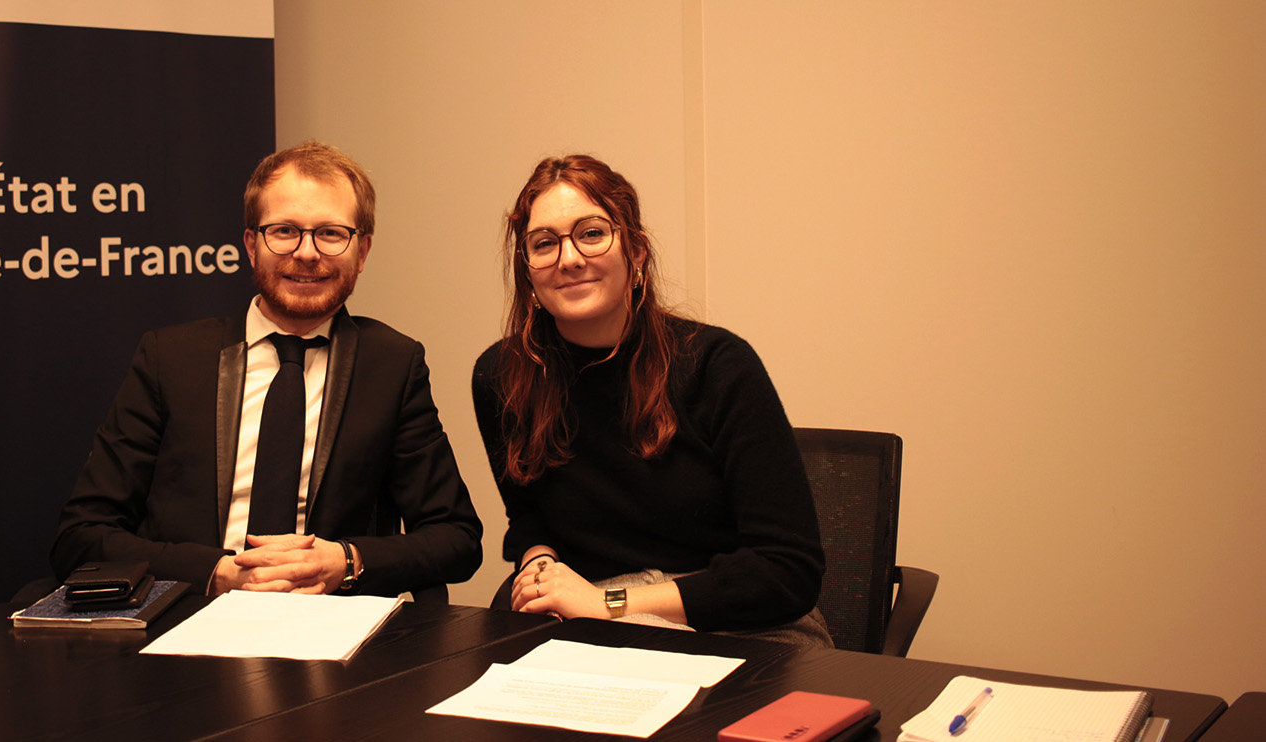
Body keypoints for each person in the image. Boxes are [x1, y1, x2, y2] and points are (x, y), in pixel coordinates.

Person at [53, 141, 481, 598]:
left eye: (332, 233)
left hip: (331, 636)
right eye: (284, 231)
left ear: (363, 251)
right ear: (251, 245)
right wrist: (217, 573)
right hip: (188, 622)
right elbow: (80, 536)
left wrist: (346, 561)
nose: (307, 252)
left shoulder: (393, 365)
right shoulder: (170, 359)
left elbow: (456, 538)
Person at [472, 154, 830, 646]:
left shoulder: (718, 365)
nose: (569, 258)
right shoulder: (502, 376)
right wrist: (538, 562)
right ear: (528, 272)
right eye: (544, 244)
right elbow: (529, 513)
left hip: (739, 622)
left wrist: (608, 605)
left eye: (592, 233)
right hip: (584, 619)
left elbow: (787, 572)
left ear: (636, 253)